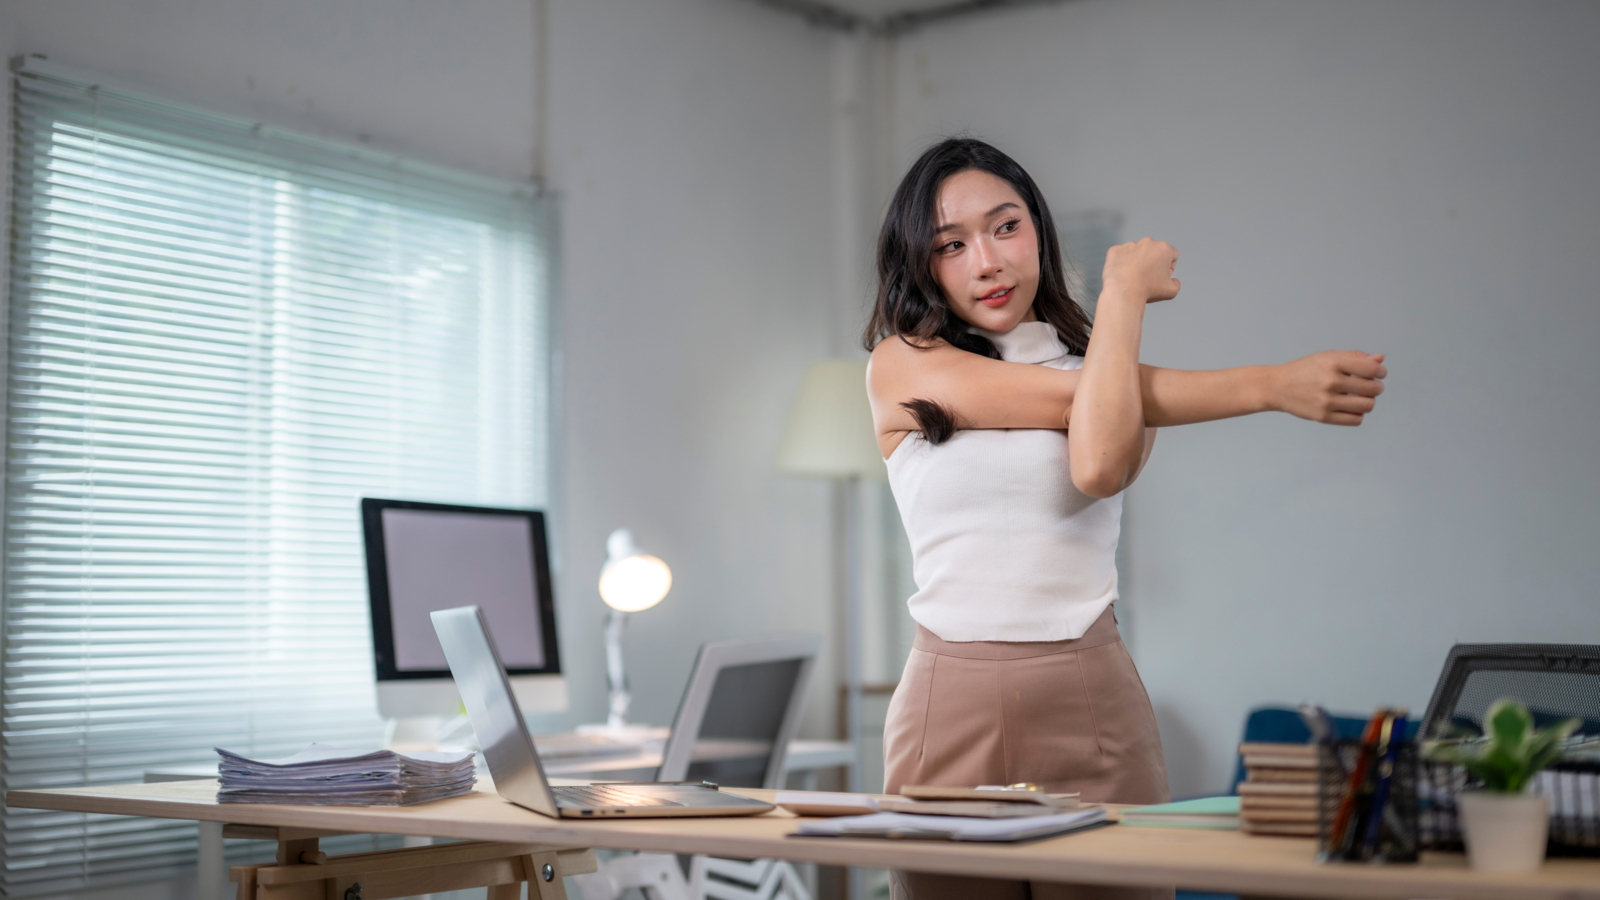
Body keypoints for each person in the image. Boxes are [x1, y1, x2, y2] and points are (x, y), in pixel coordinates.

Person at [864, 138, 1387, 900]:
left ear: (1037, 229)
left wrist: (1118, 318)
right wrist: (1256, 374)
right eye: (951, 244)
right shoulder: (903, 362)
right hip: (947, 703)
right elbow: (1082, 404)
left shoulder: (1108, 373)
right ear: (922, 262)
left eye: (1005, 227)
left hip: (1090, 693)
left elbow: (1098, 462)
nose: (987, 261)